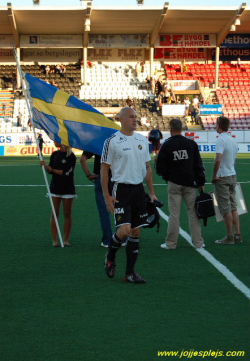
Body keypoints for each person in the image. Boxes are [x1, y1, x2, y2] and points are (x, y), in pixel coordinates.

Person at [101, 107, 157, 283]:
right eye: (131, 117)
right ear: (121, 119)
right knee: (124, 231)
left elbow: (147, 168)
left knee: (135, 231)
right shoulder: (112, 141)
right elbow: (104, 169)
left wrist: (152, 193)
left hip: (138, 190)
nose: (135, 119)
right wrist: (106, 196)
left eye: (136, 117)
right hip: (121, 190)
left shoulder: (142, 140)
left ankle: (129, 273)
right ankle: (110, 257)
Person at [156, 118, 206, 250]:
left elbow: (159, 166)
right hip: (190, 183)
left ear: (170, 129)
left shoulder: (166, 145)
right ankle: (198, 243)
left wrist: (168, 178)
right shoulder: (191, 144)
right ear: (182, 128)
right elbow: (198, 165)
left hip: (174, 184)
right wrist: (201, 181)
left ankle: (171, 243)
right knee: (193, 213)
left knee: (174, 214)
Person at [39, 142, 76, 247]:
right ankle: (54, 240)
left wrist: (52, 169)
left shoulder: (71, 156)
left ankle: (65, 240)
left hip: (67, 188)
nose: (54, 142)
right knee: (54, 214)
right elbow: (50, 170)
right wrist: (45, 166)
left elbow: (65, 172)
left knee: (67, 213)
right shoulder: (54, 154)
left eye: (57, 140)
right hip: (55, 188)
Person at [212, 116, 241, 244]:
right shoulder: (233, 140)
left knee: (225, 207)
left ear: (219, 125)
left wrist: (214, 176)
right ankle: (237, 235)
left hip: (222, 176)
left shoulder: (221, 140)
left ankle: (229, 236)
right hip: (232, 175)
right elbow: (233, 162)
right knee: (233, 206)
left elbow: (218, 159)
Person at [80, 151, 113, 248]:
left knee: (104, 211)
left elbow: (82, 159)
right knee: (120, 208)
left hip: (101, 177)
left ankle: (107, 240)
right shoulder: (118, 139)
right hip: (117, 177)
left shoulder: (96, 139)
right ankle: (122, 237)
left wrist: (88, 174)